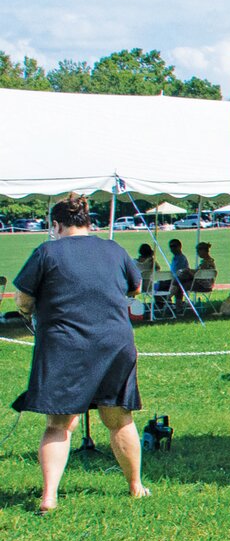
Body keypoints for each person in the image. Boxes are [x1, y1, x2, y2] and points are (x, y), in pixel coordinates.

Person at [11, 194, 150, 512]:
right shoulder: (113, 249)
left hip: (64, 344)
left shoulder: (47, 251)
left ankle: (49, 497)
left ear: (56, 225)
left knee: (59, 424)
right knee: (118, 418)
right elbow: (135, 287)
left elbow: (22, 298)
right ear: (89, 223)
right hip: (114, 343)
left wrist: (29, 311)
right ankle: (135, 487)